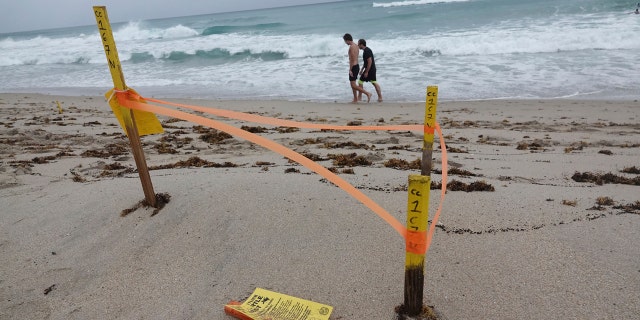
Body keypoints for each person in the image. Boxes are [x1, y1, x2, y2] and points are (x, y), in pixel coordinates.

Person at [343, 33, 371, 103]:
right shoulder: (356, 46)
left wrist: (350, 69)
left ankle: (367, 93)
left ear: (347, 40)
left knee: (353, 85)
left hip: (354, 67)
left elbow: (352, 59)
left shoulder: (351, 47)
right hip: (357, 66)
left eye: (345, 41)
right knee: (353, 84)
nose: (345, 42)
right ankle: (355, 99)